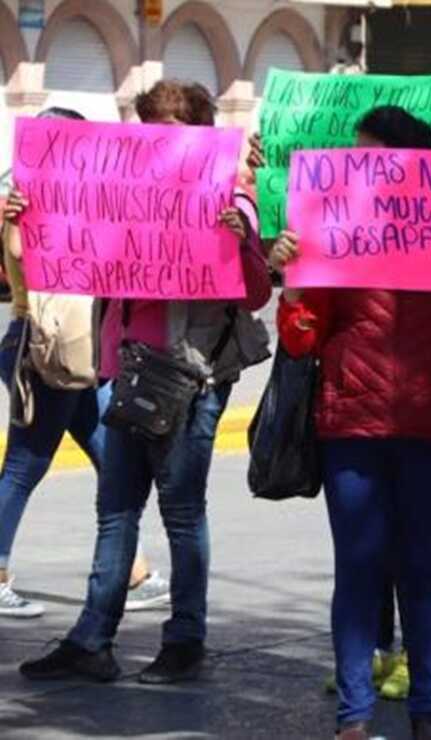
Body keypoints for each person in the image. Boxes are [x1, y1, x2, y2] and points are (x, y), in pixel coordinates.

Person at [19, 80, 272, 684]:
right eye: (149, 126)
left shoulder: (230, 195)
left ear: (199, 136)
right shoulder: (123, 191)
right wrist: (24, 217)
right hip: (126, 371)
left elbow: (259, 291)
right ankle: (92, 640)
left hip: (192, 378)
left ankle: (185, 639)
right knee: (115, 511)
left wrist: (239, 241)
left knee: (182, 513)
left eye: (170, 128)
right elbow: (62, 246)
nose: (155, 140)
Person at [271, 106, 431, 740]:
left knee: (426, 572)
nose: (352, 167)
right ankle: (354, 717)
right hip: (351, 424)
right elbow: (301, 340)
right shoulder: (333, 229)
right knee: (359, 570)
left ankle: (426, 712)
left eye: (365, 155)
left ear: (410, 166)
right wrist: (293, 282)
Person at [0, 108, 170, 620]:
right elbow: (17, 261)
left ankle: (134, 571)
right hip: (46, 350)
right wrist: (15, 223)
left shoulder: (87, 198)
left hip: (85, 354)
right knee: (25, 466)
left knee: (110, 457)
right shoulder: (25, 199)